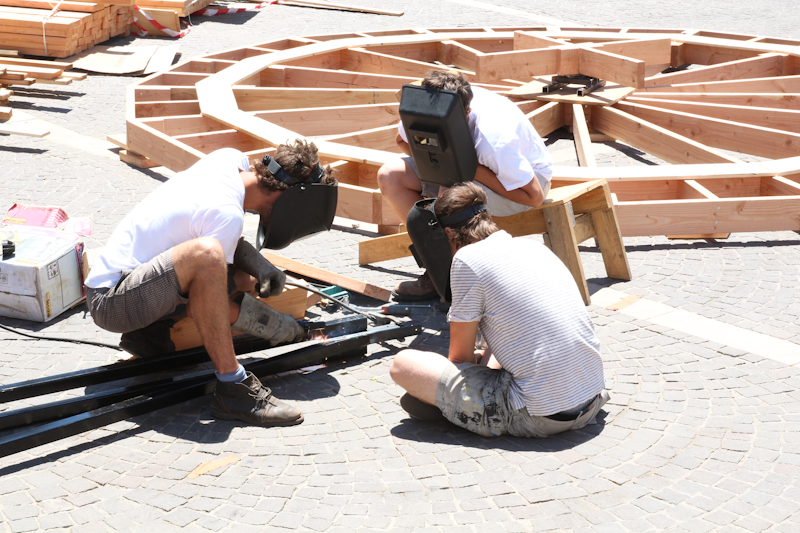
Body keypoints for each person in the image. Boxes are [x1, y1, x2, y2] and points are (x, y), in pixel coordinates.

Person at [84, 140, 337, 428]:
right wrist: (276, 325)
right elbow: (203, 304)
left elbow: (210, 229)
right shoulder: (227, 214)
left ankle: (148, 336)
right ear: (288, 200)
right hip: (113, 303)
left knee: (231, 273)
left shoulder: (229, 159)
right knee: (210, 257)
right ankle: (233, 387)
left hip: (127, 281)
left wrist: (260, 267)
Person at [390, 183, 608, 438]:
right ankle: (453, 401)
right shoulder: (533, 247)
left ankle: (454, 409)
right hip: (591, 399)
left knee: (402, 364)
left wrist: (468, 364)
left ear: (448, 233)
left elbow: (459, 359)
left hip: (538, 416)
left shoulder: (466, 260)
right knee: (491, 347)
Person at [378, 69, 554, 300]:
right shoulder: (428, 105)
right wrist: (440, 162)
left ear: (467, 114)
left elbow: (534, 197)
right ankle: (439, 270)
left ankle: (464, 280)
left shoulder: (493, 140)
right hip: (462, 167)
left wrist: (470, 169)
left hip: (521, 183)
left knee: (450, 192)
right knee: (390, 176)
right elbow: (402, 140)